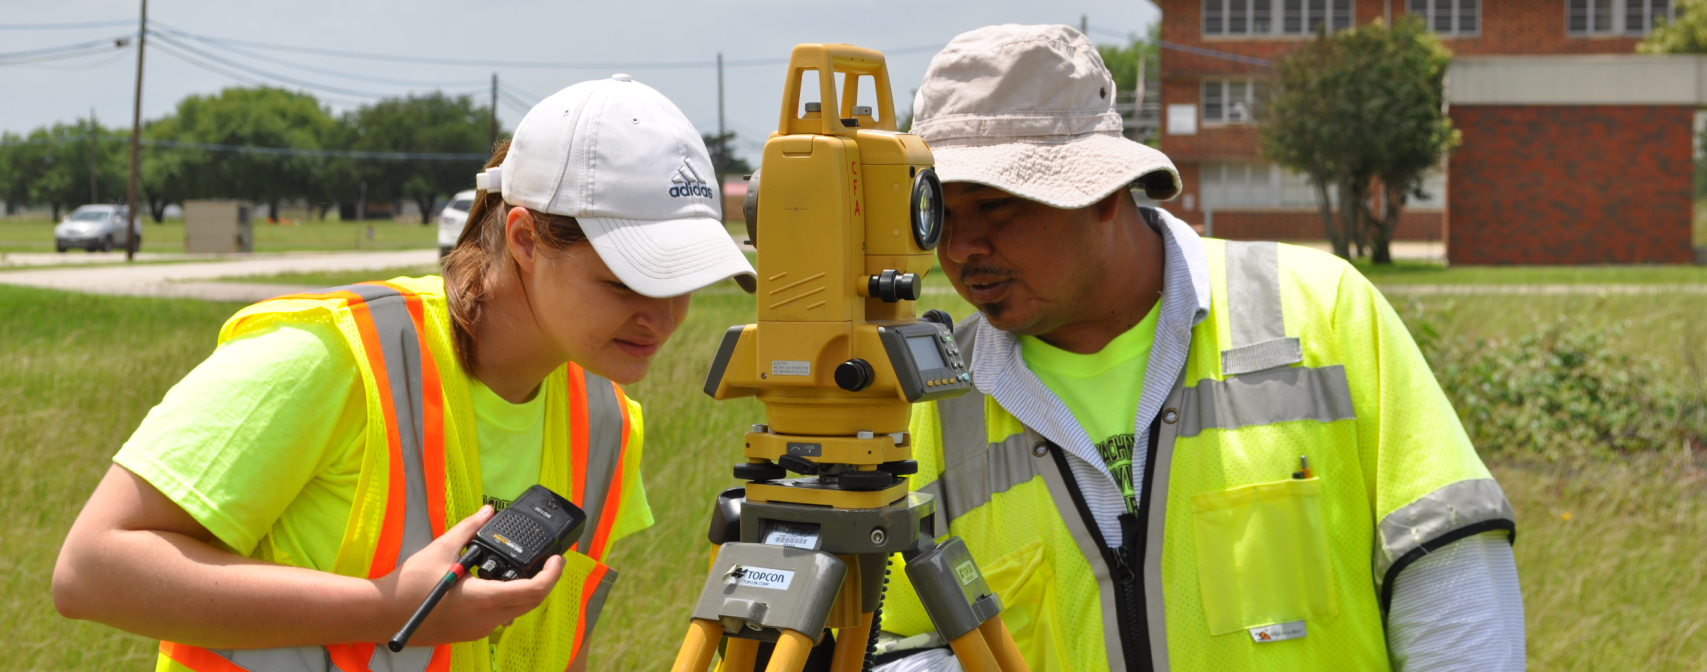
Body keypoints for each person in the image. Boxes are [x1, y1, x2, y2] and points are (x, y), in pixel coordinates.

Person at [869, 25, 1525, 672]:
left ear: (1099, 192)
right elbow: (908, 643)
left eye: (997, 209)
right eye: (943, 217)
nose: (961, 251)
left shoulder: (1318, 311)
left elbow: (1452, 586)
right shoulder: (939, 400)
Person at [51, 74, 755, 672]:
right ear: (524, 239)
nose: (662, 320)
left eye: (684, 282)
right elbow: (91, 572)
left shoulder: (604, 425)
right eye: (628, 282)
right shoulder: (330, 355)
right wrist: (387, 606)